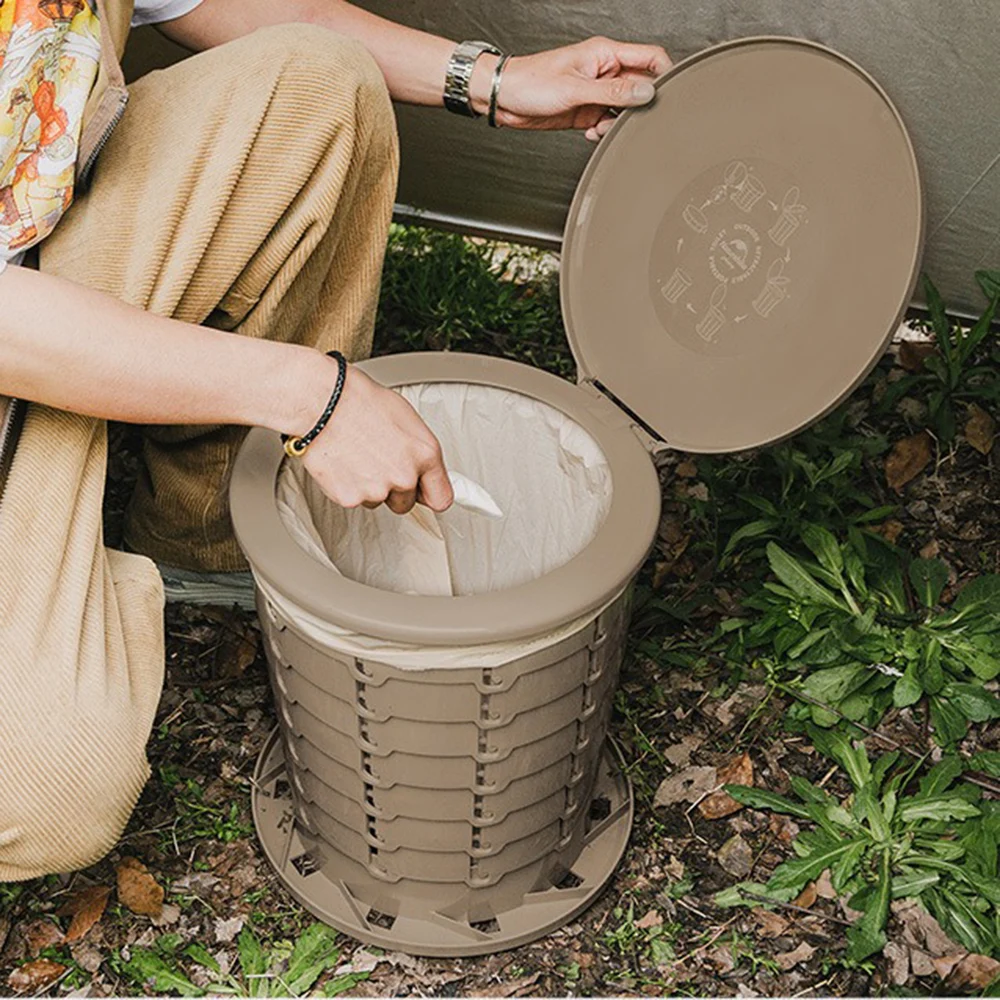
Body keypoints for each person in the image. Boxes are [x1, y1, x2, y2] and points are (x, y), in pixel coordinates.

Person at [0, 0, 670, 881]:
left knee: (322, 87)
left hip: (35, 253)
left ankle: (204, 539)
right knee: (53, 789)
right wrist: (299, 389)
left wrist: (494, 81)